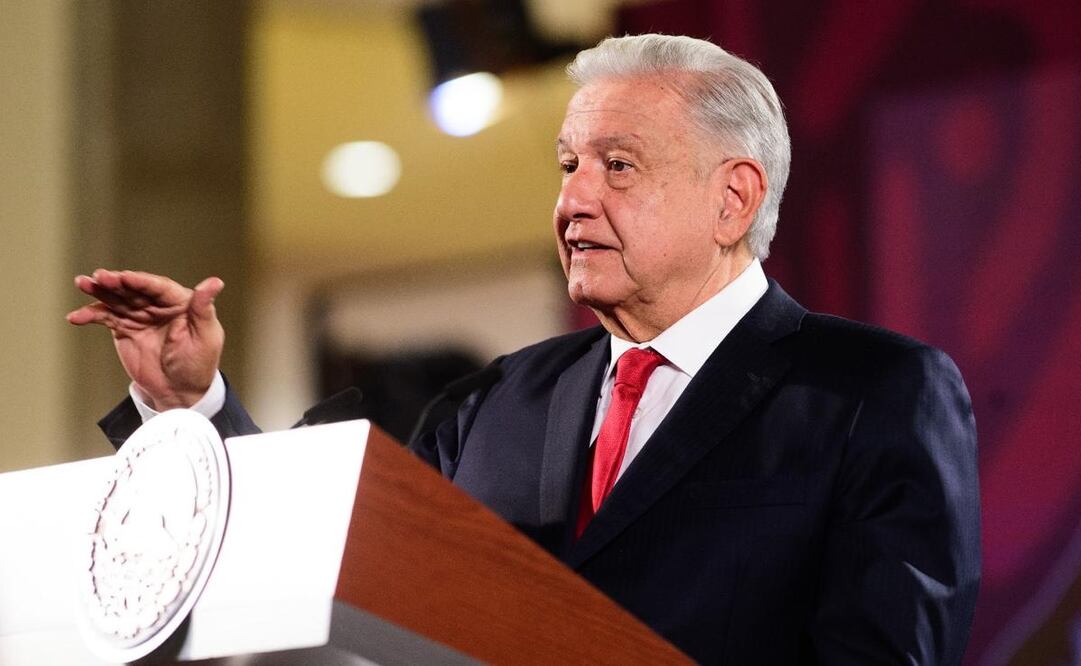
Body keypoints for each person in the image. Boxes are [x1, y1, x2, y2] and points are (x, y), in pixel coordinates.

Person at [69, 34, 980, 664]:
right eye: (566, 165)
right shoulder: (502, 398)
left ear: (732, 199)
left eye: (616, 166)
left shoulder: (873, 393)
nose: (573, 200)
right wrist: (191, 406)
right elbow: (324, 549)